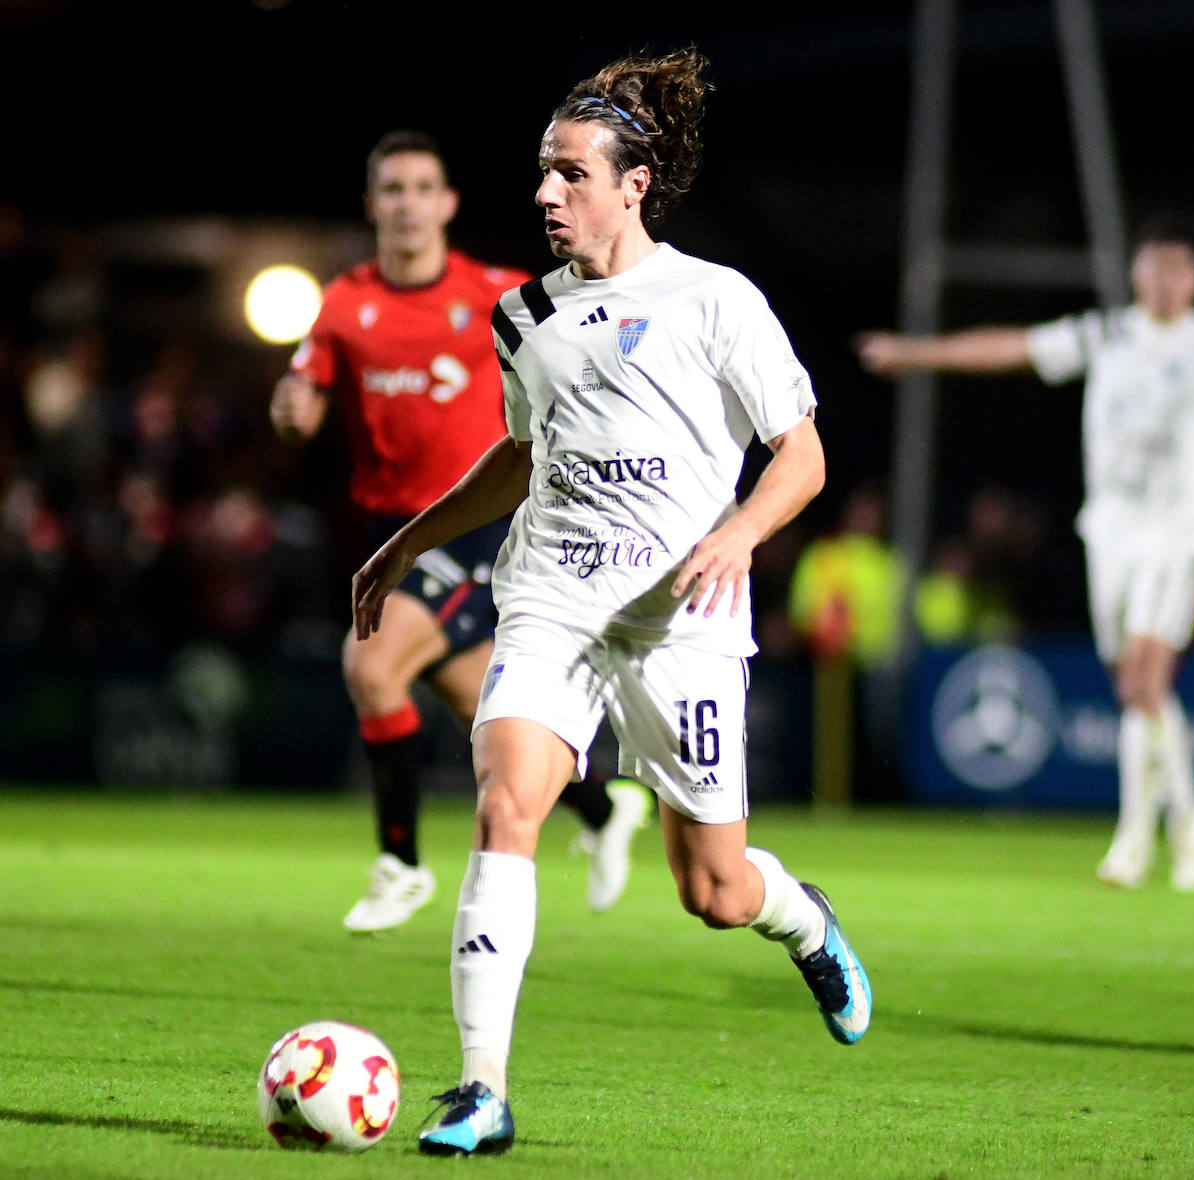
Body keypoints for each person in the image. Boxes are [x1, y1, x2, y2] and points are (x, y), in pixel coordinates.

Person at [352, 50, 871, 1156]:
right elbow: (521, 456)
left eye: (571, 175)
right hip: (549, 602)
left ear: (633, 185)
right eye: (543, 173)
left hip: (679, 622)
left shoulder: (715, 298)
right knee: (506, 801)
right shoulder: (521, 314)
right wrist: (408, 541)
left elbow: (803, 455)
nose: (546, 194)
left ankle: (807, 919)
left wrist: (738, 530)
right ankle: (481, 1089)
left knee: (715, 889)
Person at [270, 130, 649, 931]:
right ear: (374, 205)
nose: (407, 204)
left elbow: (594, 322)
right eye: (392, 190)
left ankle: (400, 864)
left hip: (475, 525)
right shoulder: (345, 303)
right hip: (387, 531)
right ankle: (600, 806)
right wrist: (292, 409)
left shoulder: (500, 293)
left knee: (371, 669)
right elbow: (302, 388)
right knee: (484, 712)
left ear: (447, 204)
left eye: (422, 188)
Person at [854, 217, 1194, 891]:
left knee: (1144, 680)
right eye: (1156, 266)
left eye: (1181, 268)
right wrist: (917, 353)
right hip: (1110, 530)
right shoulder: (1109, 334)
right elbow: (1013, 348)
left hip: (1179, 533)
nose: (1168, 280)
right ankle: (1192, 809)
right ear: (1138, 274)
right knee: (1133, 686)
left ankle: (1132, 844)